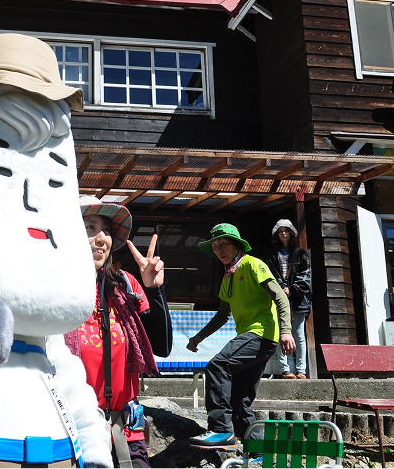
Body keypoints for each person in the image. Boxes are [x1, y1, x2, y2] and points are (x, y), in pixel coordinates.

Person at [65, 195, 172, 469]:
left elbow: (161, 346)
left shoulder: (125, 286)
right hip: (73, 430)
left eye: (106, 230)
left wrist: (154, 289)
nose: (102, 238)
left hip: (125, 429)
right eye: (90, 227)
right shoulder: (56, 293)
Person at [187, 223, 294, 447]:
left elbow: (281, 298)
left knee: (218, 366)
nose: (219, 250)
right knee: (239, 399)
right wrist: (199, 337)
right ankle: (258, 451)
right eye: (215, 247)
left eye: (223, 244)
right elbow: (222, 315)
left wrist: (286, 331)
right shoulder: (228, 277)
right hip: (252, 337)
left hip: (261, 334)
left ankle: (220, 429)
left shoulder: (253, 264)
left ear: (237, 245)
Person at [264, 219, 311, 379]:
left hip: (298, 300)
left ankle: (301, 371)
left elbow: (305, 275)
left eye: (286, 230)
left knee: (299, 335)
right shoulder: (272, 253)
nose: (283, 233)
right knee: (281, 334)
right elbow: (270, 274)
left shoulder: (301, 253)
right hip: (279, 298)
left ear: (291, 233)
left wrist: (292, 289)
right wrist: (280, 290)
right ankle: (285, 370)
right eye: (280, 231)